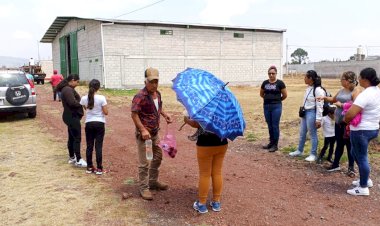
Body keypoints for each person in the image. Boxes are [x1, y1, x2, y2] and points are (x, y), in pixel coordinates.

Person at [131, 67, 173, 200]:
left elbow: (158, 107)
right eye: (152, 82)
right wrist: (142, 130)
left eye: (156, 82)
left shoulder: (158, 94)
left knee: (158, 156)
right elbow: (134, 114)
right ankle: (144, 188)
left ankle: (153, 182)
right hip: (145, 136)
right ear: (145, 81)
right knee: (145, 162)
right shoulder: (140, 96)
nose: (154, 84)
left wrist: (165, 114)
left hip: (155, 133)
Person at [344, 68, 380, 196]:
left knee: (361, 157)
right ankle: (366, 179)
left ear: (365, 79)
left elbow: (351, 113)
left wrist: (345, 120)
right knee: (355, 152)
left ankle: (363, 187)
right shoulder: (377, 91)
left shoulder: (366, 94)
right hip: (373, 128)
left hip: (361, 130)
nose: (358, 79)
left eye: (360, 77)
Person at [183, 116, 228, 214]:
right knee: (217, 172)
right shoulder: (225, 110)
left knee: (205, 174)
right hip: (222, 143)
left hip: (205, 144)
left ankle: (202, 204)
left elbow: (196, 124)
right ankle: (216, 202)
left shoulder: (206, 107)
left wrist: (186, 119)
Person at [319, 71, 360, 176]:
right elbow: (333, 99)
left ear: (347, 81)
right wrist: (324, 98)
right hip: (338, 122)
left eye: (342, 79)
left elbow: (356, 106)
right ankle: (335, 164)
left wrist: (341, 105)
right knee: (339, 144)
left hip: (347, 124)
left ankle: (351, 168)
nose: (341, 80)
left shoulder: (355, 92)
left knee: (349, 146)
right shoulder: (342, 90)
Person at [289, 70, 325, 161]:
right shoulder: (308, 88)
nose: (304, 78)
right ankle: (299, 150)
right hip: (305, 113)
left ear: (311, 79)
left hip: (312, 113)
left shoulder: (318, 90)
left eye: (306, 77)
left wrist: (318, 119)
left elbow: (320, 105)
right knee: (302, 133)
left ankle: (313, 154)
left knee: (312, 134)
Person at [56, 74, 87, 167]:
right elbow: (72, 102)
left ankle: (72, 157)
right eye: (77, 82)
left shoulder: (67, 89)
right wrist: (82, 103)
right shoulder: (68, 89)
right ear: (73, 80)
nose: (77, 84)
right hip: (72, 117)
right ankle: (78, 159)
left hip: (69, 116)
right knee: (77, 138)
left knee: (72, 137)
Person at [80, 79, 108, 175]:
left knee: (89, 146)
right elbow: (106, 112)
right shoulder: (101, 98)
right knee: (98, 146)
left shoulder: (84, 98)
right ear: (98, 87)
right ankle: (99, 168)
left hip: (89, 123)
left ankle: (89, 167)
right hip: (99, 122)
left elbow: (86, 108)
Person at [260, 65, 287, 152]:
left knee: (275, 125)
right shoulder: (265, 83)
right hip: (266, 106)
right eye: (269, 73)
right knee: (270, 125)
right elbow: (261, 94)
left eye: (273, 73)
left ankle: (275, 145)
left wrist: (277, 100)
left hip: (276, 107)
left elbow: (285, 95)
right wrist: (268, 99)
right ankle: (271, 143)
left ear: (276, 74)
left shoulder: (280, 83)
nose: (271, 75)